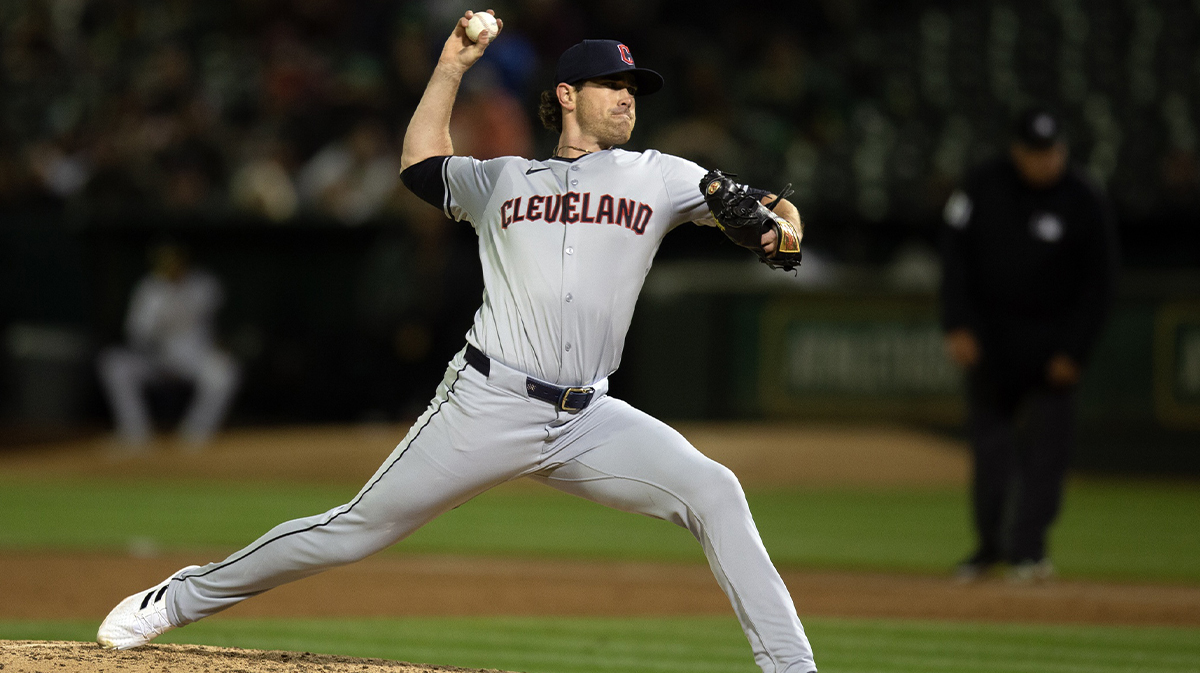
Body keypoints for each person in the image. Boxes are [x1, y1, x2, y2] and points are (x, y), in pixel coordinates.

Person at [97, 12, 816, 672]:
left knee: (715, 489)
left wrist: (775, 224)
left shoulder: (663, 175)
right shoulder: (501, 180)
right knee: (351, 530)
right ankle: (178, 599)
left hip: (587, 417)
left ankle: (792, 667)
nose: (629, 96)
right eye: (613, 84)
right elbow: (418, 167)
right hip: (487, 400)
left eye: (635, 87)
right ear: (567, 94)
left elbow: (765, 214)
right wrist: (452, 64)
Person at [940, 108, 1119, 582]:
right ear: (1017, 151)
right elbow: (954, 261)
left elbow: (1100, 285)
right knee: (991, 452)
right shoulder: (982, 186)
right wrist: (957, 325)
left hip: (1052, 348)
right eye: (1035, 152)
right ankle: (988, 548)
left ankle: (1029, 550)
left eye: (1052, 151)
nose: (1045, 161)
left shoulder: (1083, 198)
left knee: (1046, 457)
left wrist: (1075, 351)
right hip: (991, 345)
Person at [97, 242, 240, 448]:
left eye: (174, 261)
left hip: (195, 358)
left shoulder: (204, 284)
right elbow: (136, 334)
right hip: (159, 359)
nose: (170, 267)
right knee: (114, 364)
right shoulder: (149, 290)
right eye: (164, 262)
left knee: (225, 372)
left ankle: (195, 435)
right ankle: (135, 434)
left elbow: (220, 319)